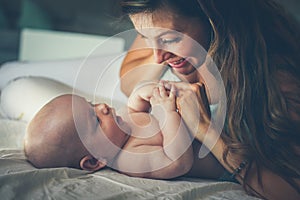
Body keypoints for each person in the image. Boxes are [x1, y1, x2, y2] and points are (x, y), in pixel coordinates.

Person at [119, 0, 300, 199]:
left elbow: (292, 190)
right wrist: (163, 44)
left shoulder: (278, 82)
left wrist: (205, 129)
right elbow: (127, 83)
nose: (156, 57)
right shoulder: (161, 22)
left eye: (170, 38)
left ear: (215, 21)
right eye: (145, 37)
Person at [24, 82, 224, 179]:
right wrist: (168, 111)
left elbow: (135, 110)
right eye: (96, 120)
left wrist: (141, 94)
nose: (102, 107)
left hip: (221, 128)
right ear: (95, 161)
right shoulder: (129, 158)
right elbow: (178, 162)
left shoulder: (119, 124)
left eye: (92, 104)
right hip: (223, 162)